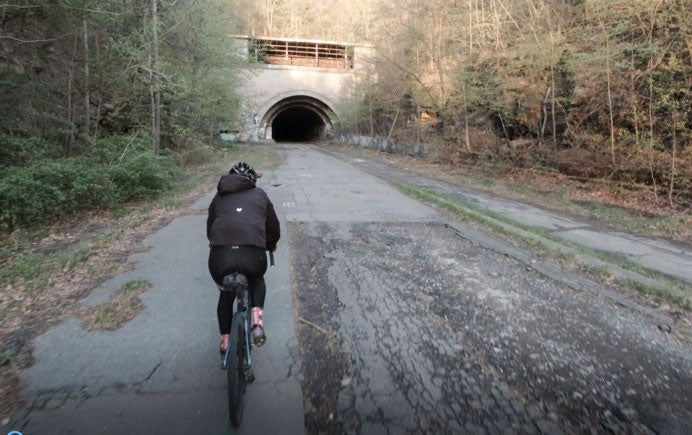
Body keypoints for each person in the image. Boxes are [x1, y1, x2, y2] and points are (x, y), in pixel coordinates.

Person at [207, 162, 280, 353]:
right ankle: (257, 323)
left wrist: (217, 243)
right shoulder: (260, 195)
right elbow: (273, 227)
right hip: (252, 255)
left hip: (220, 257)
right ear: (252, 180)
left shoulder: (218, 196)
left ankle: (224, 341)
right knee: (257, 279)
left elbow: (210, 227)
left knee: (226, 292)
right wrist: (270, 245)